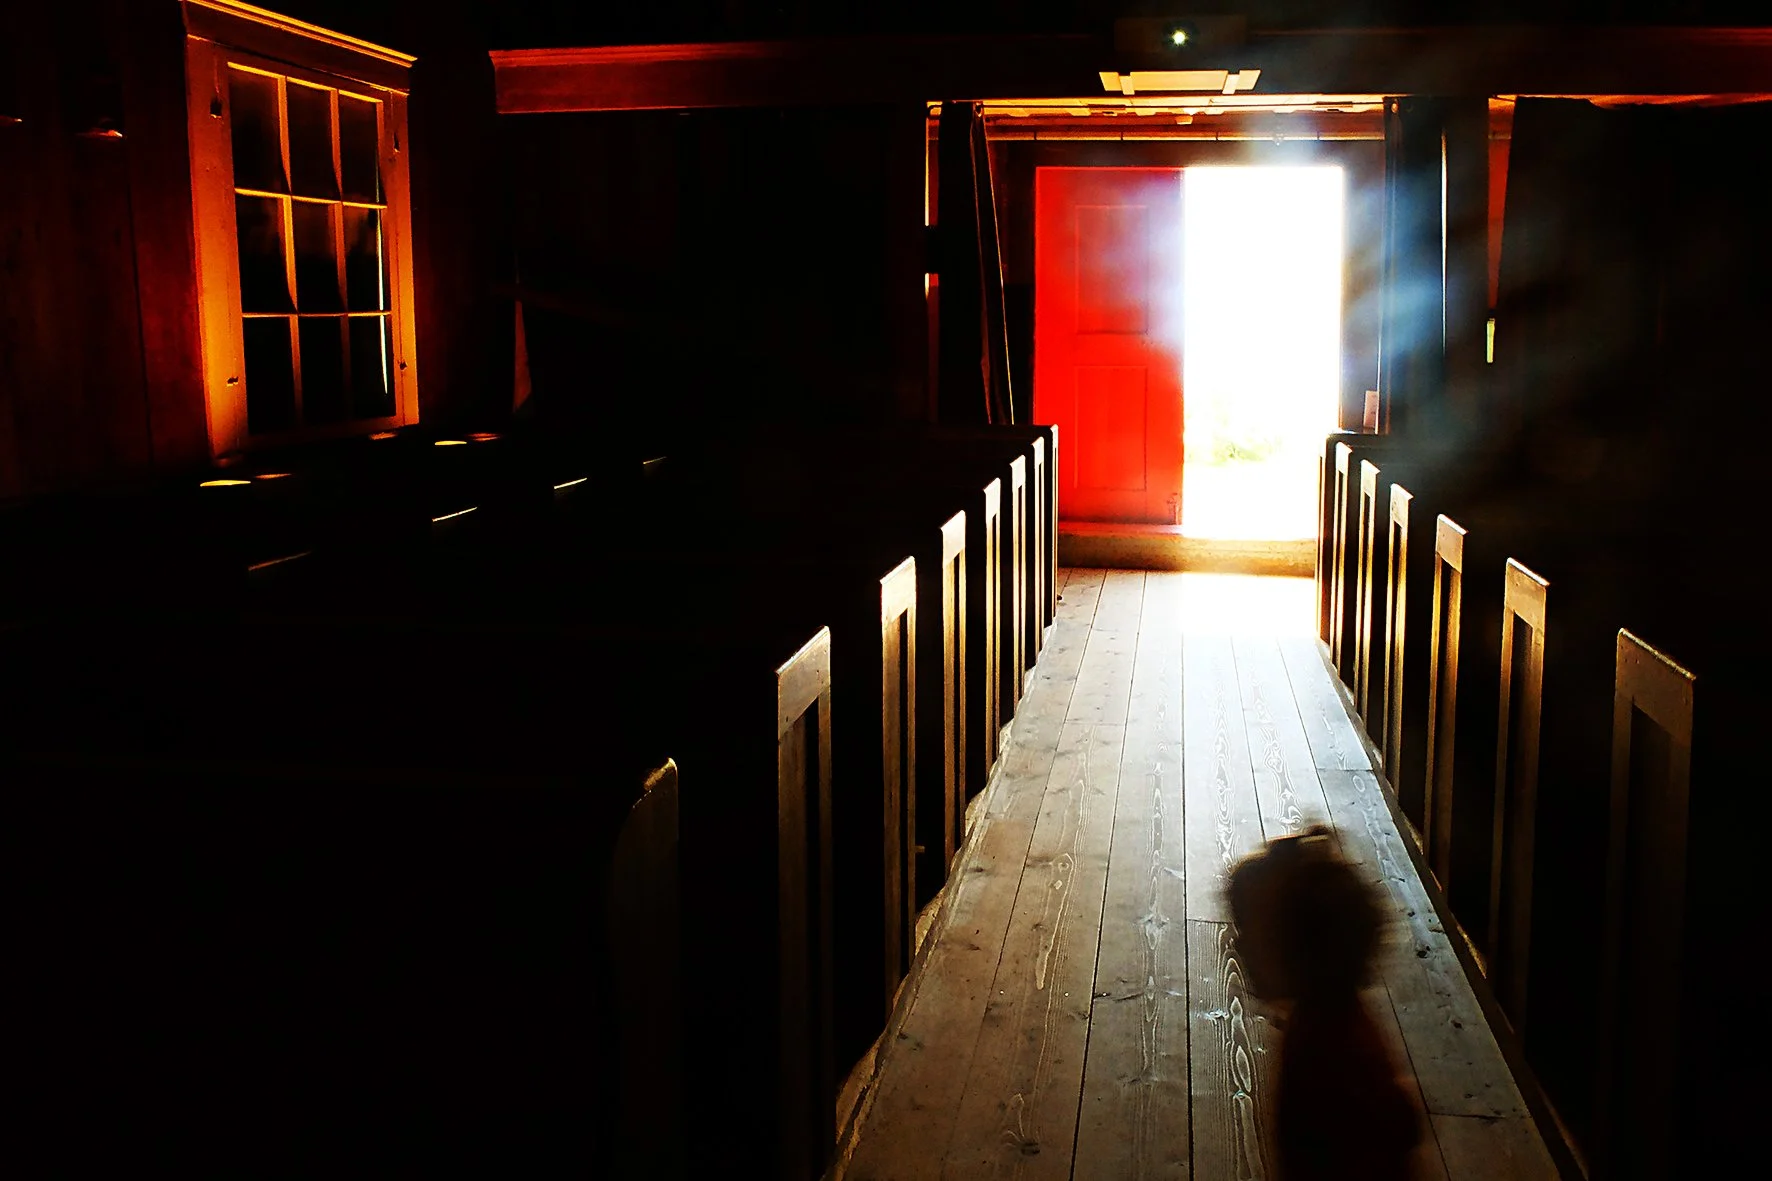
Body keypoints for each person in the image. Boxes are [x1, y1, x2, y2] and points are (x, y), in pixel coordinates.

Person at [1227, 827, 1421, 1181]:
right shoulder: (1325, 1021)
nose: (1238, 946)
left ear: (1298, 952)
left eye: (1252, 935)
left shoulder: (1325, 1049)